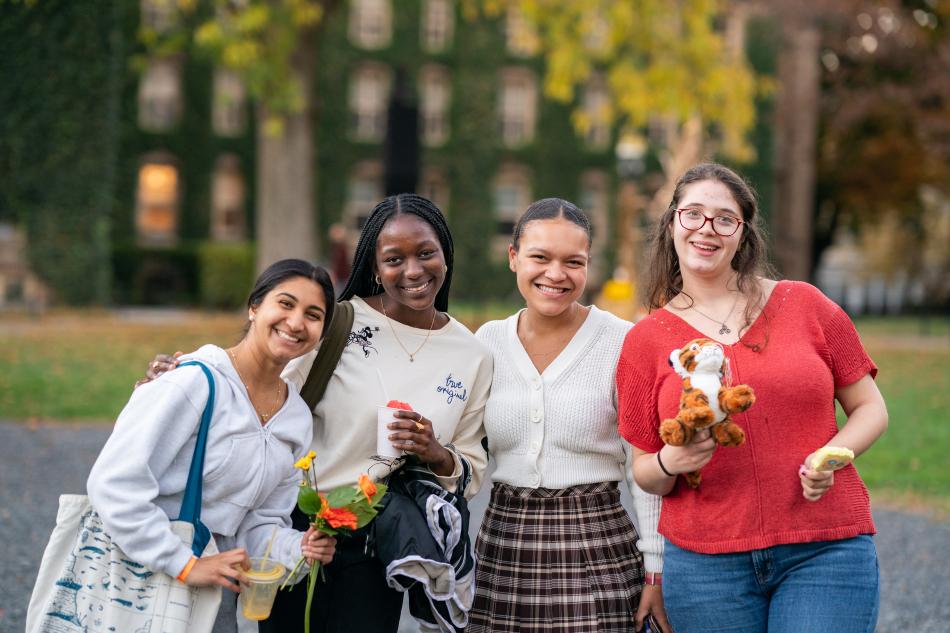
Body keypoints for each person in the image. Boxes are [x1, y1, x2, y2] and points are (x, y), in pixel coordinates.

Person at [144, 194, 493, 633]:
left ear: (446, 254)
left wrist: (434, 450)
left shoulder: (473, 355)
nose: (413, 271)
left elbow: (469, 473)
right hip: (296, 529)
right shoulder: (338, 324)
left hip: (376, 541)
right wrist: (184, 376)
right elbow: (257, 383)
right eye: (393, 259)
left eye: (426, 253)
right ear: (373, 265)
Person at [616, 163, 888, 633]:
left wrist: (832, 454)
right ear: (672, 224)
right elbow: (643, 469)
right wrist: (670, 462)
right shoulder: (645, 340)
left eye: (725, 219)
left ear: (742, 234)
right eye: (694, 214)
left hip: (825, 547)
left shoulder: (805, 304)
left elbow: (871, 407)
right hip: (706, 567)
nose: (708, 229)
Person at [87, 259, 339, 629]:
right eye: (285, 304)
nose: (297, 322)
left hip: (212, 602)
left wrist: (298, 548)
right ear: (254, 307)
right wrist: (184, 563)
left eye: (313, 314)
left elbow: (259, 524)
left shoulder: (296, 419)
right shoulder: (193, 383)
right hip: (140, 586)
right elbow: (113, 484)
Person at [469, 198, 668, 633]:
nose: (555, 274)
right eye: (540, 257)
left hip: (596, 545)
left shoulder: (623, 342)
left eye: (572, 262)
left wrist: (655, 567)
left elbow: (644, 466)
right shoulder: (487, 341)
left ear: (588, 265)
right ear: (513, 258)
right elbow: (466, 453)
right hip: (503, 546)